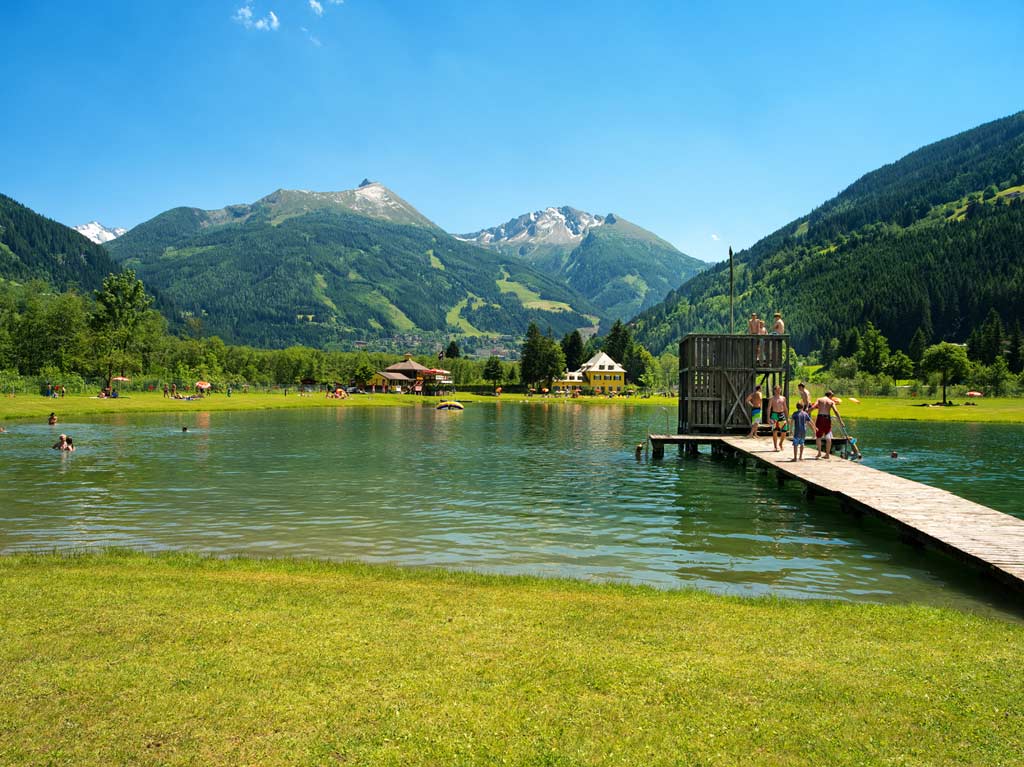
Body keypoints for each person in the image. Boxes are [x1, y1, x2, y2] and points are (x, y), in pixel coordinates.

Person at [809, 389, 841, 459]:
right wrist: (841, 421)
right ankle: (827, 454)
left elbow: (813, 407)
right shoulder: (831, 401)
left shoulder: (819, 399)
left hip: (820, 418)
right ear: (829, 395)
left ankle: (819, 453)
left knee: (818, 436)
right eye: (832, 396)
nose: (832, 397)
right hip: (827, 418)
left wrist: (807, 412)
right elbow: (836, 411)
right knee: (828, 435)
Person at [768, 385, 788, 451]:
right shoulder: (772, 398)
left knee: (784, 431)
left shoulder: (783, 398)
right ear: (774, 390)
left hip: (782, 414)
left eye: (779, 389)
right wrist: (768, 418)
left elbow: (785, 408)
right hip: (774, 415)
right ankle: (775, 446)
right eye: (777, 390)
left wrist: (787, 417)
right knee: (775, 431)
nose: (779, 391)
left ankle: (780, 443)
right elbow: (769, 408)